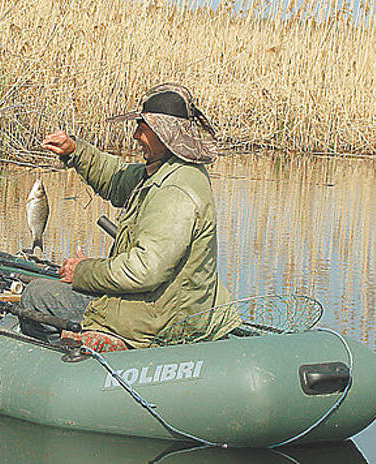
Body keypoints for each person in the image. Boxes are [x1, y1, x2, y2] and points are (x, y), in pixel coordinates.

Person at [18, 83, 239, 350]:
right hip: (158, 305)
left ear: (163, 134)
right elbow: (117, 179)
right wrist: (74, 151)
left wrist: (84, 271)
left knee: (36, 297)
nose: (135, 136)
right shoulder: (165, 170)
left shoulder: (175, 190)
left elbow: (143, 270)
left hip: (161, 319)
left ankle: (85, 365)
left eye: (142, 129)